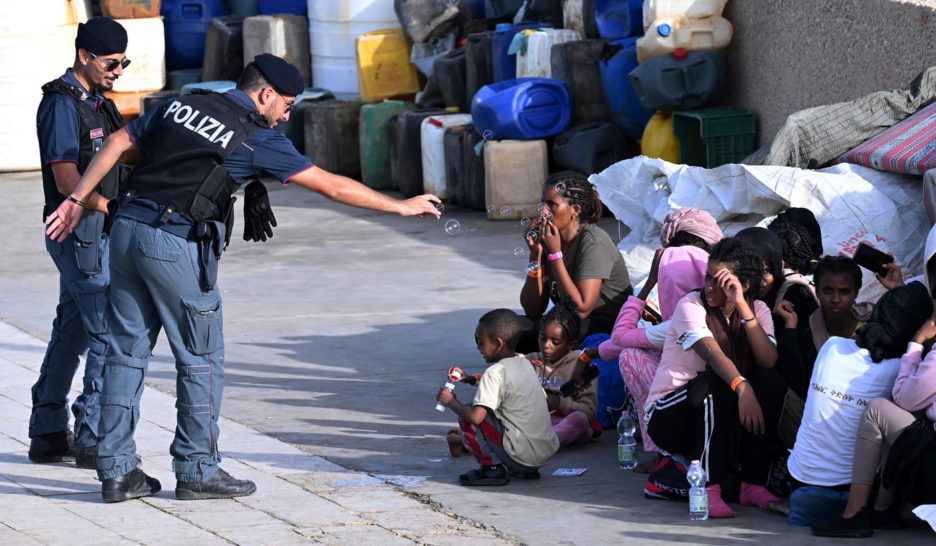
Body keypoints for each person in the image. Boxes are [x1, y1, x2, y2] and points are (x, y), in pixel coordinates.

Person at [44, 54, 441, 503]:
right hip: (172, 243)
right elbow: (331, 185)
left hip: (126, 231)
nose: (287, 115)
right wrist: (401, 206)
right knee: (201, 358)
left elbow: (116, 142)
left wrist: (78, 198)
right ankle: (197, 469)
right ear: (266, 94)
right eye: (287, 105)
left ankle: (116, 471)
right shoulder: (258, 137)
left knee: (124, 353)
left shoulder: (182, 103)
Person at [30, 16, 130, 468]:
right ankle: (91, 437)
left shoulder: (98, 102)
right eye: (111, 62)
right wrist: (113, 209)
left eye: (124, 62)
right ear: (84, 56)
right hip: (78, 233)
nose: (118, 71)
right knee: (107, 332)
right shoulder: (60, 104)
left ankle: (49, 433)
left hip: (95, 234)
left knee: (71, 330)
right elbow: (67, 177)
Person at [645, 238, 780, 518]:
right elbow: (713, 356)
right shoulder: (690, 305)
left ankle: (752, 484)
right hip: (670, 415)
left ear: (742, 285)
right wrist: (743, 387)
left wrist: (743, 307)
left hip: (720, 415)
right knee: (712, 383)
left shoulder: (759, 310)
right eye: (707, 277)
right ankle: (708, 487)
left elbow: (768, 359)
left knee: (771, 382)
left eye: (719, 281)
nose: (709, 286)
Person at [786, 282, 932, 525]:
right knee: (905, 421)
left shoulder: (832, 347)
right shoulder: (897, 369)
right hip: (854, 485)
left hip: (801, 477)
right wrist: (919, 342)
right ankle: (878, 509)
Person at [587, 244, 709, 472]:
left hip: (685, 405)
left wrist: (648, 284)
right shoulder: (713, 309)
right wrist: (592, 353)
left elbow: (621, 336)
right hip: (707, 400)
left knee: (630, 357)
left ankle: (663, 452)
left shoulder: (679, 322)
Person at [437, 309, 560, 485]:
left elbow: (475, 416)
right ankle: (524, 471)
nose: (478, 347)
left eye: (480, 342)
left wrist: (450, 402)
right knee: (489, 410)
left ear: (498, 343)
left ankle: (491, 469)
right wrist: (470, 379)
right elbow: (506, 387)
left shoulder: (494, 373)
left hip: (521, 457)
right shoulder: (524, 362)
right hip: (543, 455)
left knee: (468, 412)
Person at [518, 171, 633, 351]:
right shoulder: (550, 240)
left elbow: (581, 310)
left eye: (551, 205)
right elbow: (532, 310)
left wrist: (555, 255)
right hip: (567, 324)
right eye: (543, 204)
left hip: (603, 330)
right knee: (503, 328)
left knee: (539, 330)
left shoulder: (594, 242)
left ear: (575, 210)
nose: (544, 212)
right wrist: (536, 254)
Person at [527, 302, 599, 448]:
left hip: (562, 420)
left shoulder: (581, 366)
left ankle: (541, 445)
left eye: (555, 342)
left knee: (579, 421)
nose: (547, 346)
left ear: (571, 344)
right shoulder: (529, 361)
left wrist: (560, 403)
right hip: (533, 420)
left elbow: (589, 412)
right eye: (542, 338)